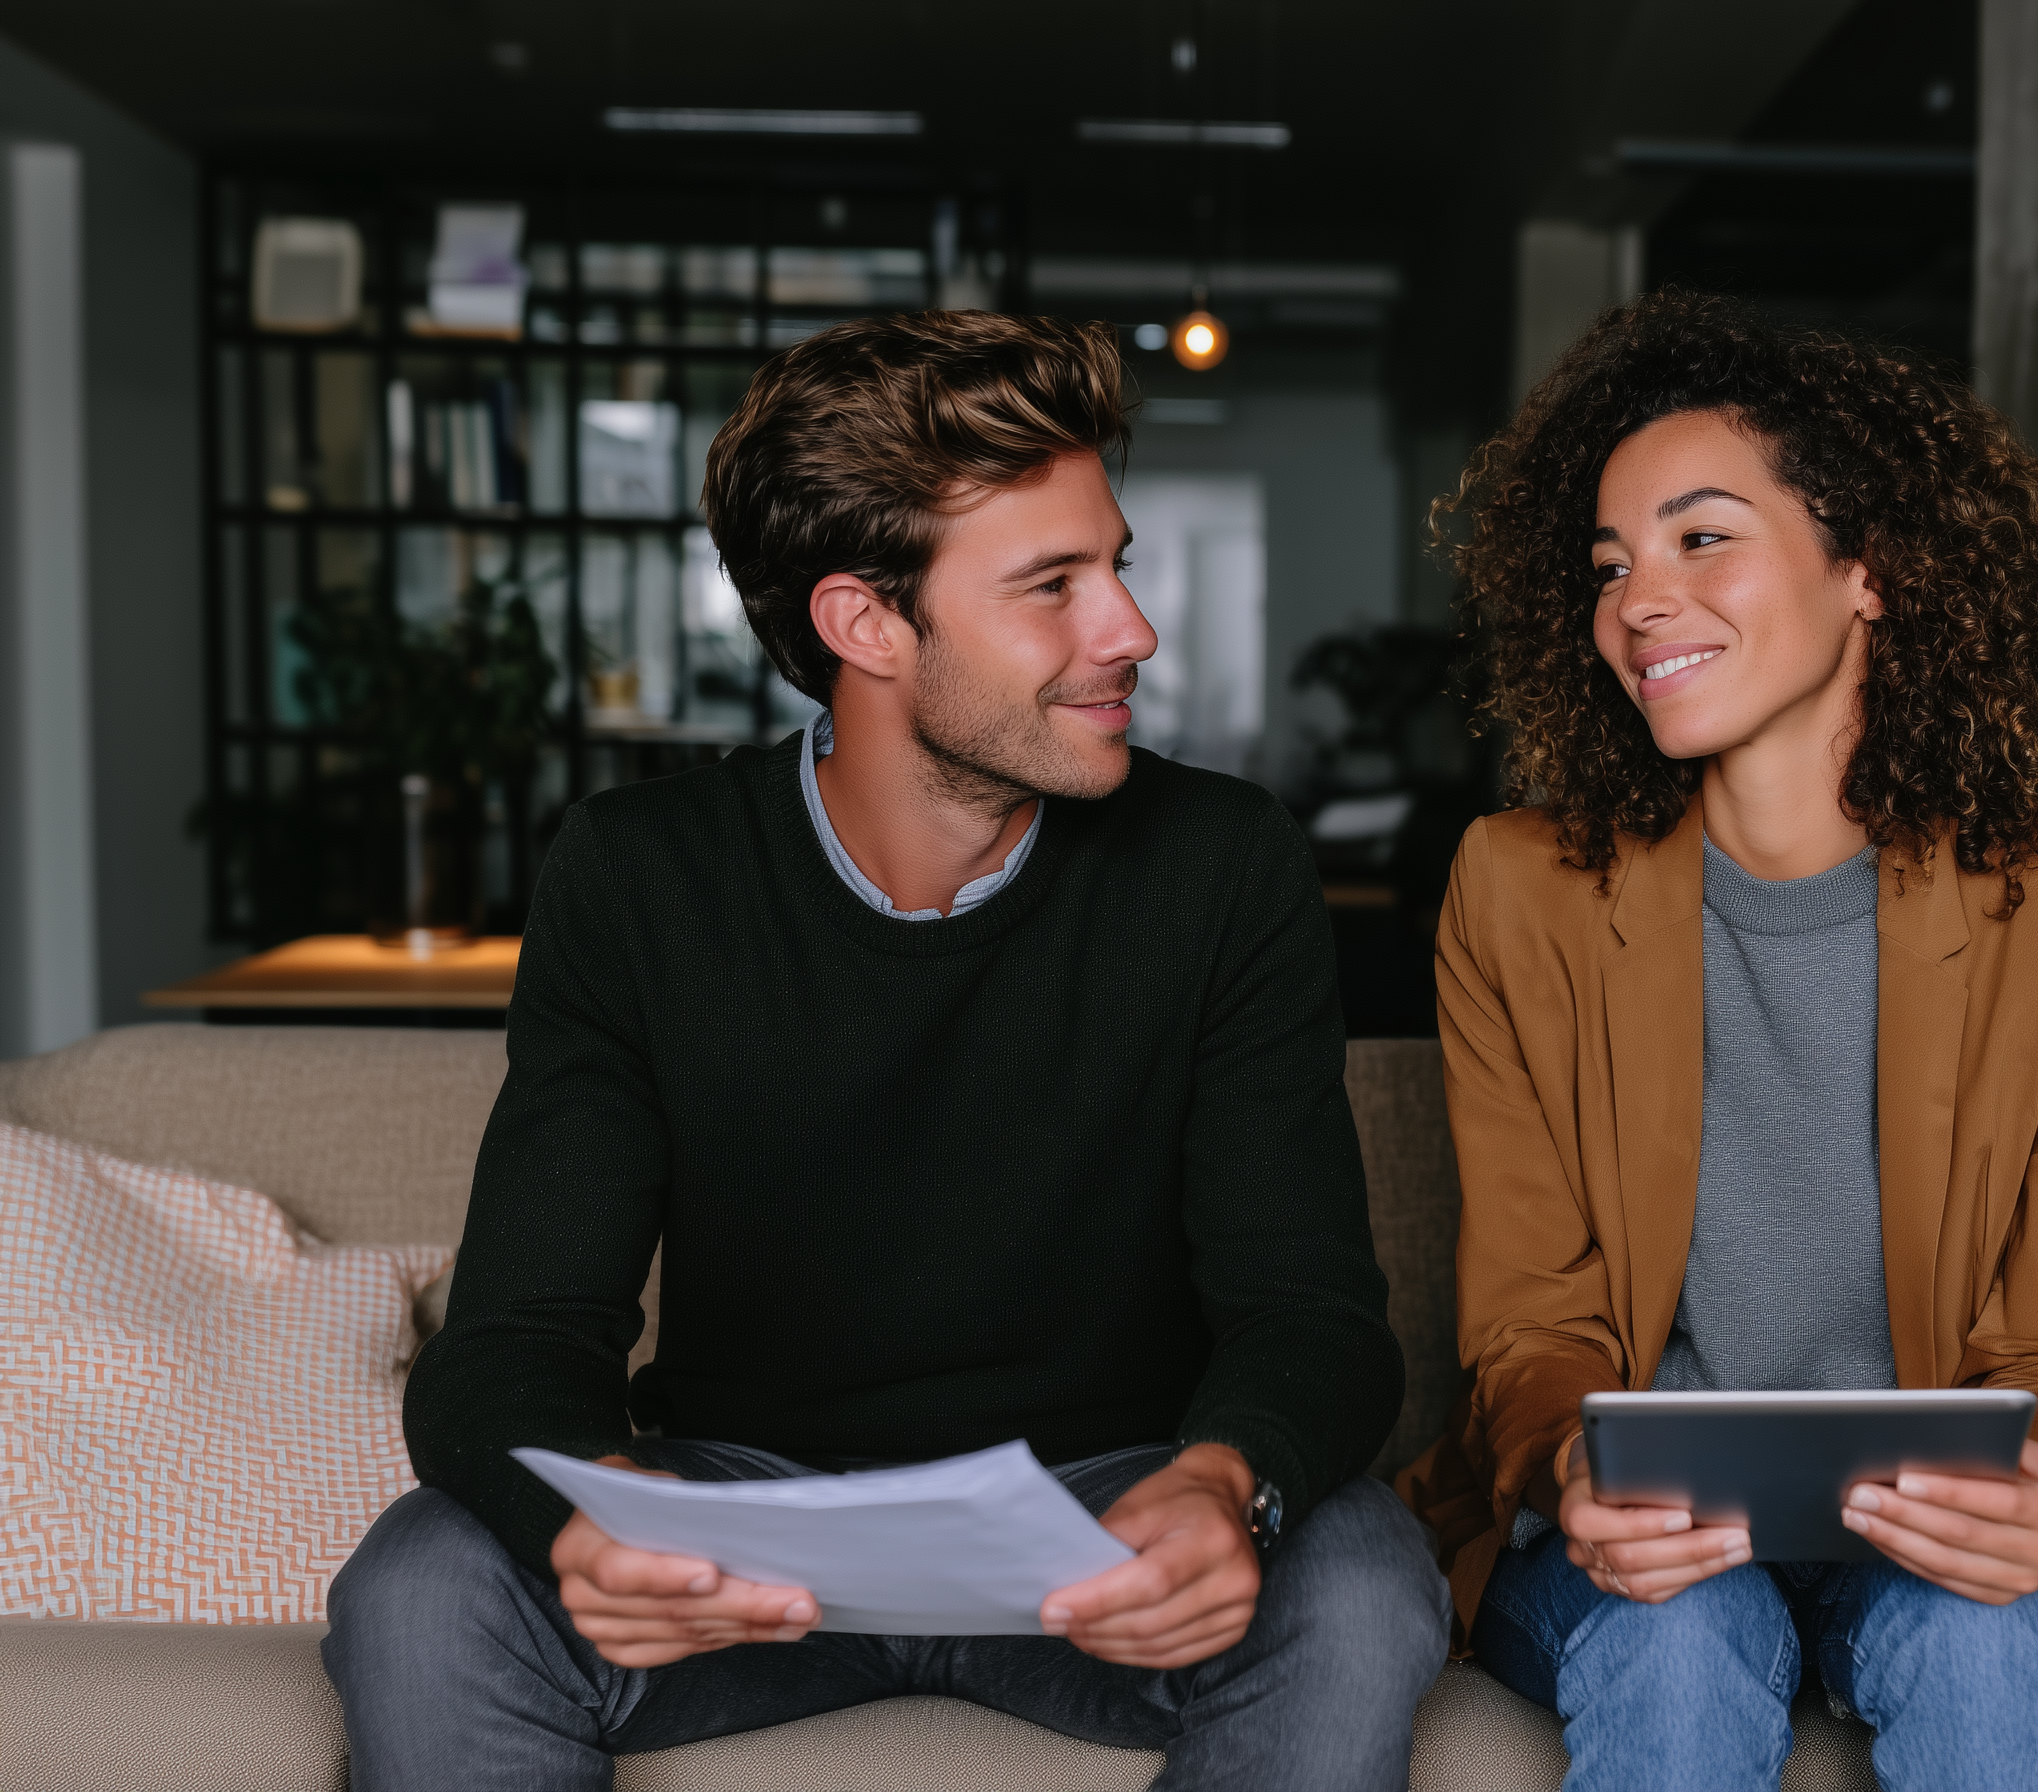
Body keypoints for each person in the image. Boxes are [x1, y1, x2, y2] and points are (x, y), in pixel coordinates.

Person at [322, 312, 1450, 1791]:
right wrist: (585, 1516)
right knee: (419, 1585)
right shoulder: (638, 876)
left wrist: (1224, 1483)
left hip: (1108, 1523)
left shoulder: (1222, 865)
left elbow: (1312, 1315)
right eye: (1053, 585)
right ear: (865, 625)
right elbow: (512, 1343)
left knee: (1361, 1578)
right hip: (750, 1530)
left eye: (1114, 566)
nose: (1129, 629)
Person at [1395, 293, 2038, 1792]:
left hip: (1929, 1527)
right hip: (1653, 1541)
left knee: (1986, 1640)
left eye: (1701, 538)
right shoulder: (1515, 890)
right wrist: (1573, 1467)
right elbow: (1530, 1326)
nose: (1639, 601)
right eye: (1610, 566)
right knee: (1678, 1641)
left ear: (1866, 568)